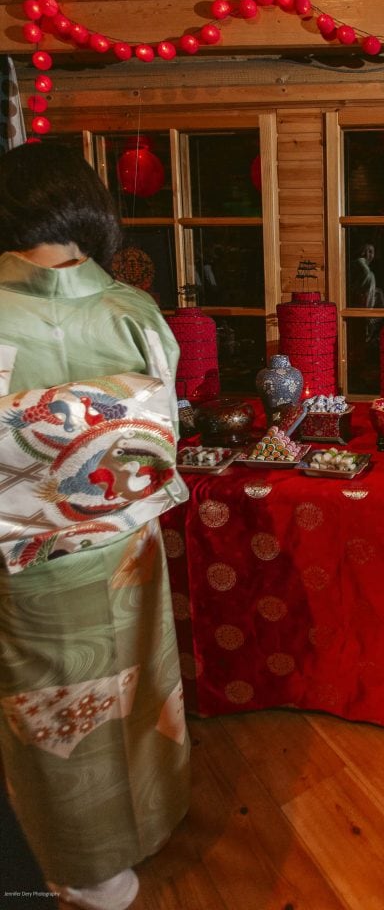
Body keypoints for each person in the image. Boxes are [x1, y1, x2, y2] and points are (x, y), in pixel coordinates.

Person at [0, 144, 190, 910]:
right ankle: (151, 819)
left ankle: (87, 869)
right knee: (137, 680)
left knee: (55, 708)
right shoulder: (131, 309)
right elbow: (161, 426)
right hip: (124, 540)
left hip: (29, 552)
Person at [349, 242, 384, 309]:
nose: (370, 254)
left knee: (380, 293)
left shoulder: (364, 264)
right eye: (368, 251)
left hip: (364, 294)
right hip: (359, 295)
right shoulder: (359, 261)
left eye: (372, 252)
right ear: (362, 252)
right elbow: (367, 274)